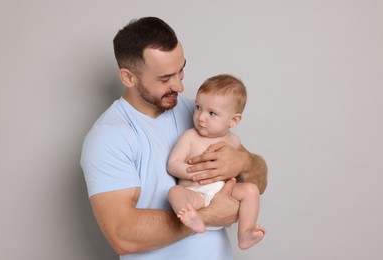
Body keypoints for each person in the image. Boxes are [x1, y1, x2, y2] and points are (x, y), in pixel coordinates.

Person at [80, 16, 267, 260]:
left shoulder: (198, 113)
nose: (179, 86)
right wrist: (210, 214)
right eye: (165, 78)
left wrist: (245, 163)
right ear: (128, 78)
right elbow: (122, 236)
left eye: (181, 71)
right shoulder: (108, 138)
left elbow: (258, 182)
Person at [167, 74, 266, 250]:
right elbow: (173, 164)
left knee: (251, 190)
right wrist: (196, 172)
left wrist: (240, 166)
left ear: (233, 120)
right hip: (196, 194)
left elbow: (245, 171)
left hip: (224, 194)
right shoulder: (190, 136)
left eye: (212, 113)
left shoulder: (234, 141)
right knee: (175, 193)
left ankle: (245, 233)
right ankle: (195, 218)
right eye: (198, 108)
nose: (201, 117)